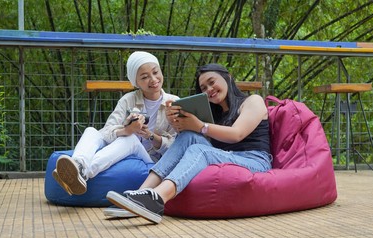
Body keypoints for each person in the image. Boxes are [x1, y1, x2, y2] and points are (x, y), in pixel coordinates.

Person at [106, 63, 272, 224]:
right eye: (204, 88)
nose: (209, 90)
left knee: (200, 149)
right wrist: (179, 124)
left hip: (254, 160)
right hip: (227, 156)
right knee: (187, 136)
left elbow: (237, 134)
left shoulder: (252, 101)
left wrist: (201, 126)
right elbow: (207, 141)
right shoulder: (215, 113)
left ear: (227, 77)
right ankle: (140, 194)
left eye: (212, 82)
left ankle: (157, 198)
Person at [53, 51, 179, 200]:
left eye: (155, 72)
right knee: (91, 130)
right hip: (123, 150)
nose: (153, 79)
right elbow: (106, 131)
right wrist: (127, 129)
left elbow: (178, 147)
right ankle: (79, 165)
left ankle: (84, 172)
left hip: (152, 161)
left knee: (130, 140)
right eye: (144, 77)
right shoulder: (128, 100)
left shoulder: (174, 102)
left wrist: (151, 136)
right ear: (136, 82)